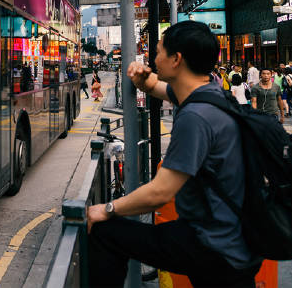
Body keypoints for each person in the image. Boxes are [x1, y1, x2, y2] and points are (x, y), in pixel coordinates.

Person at [87, 21, 261, 286]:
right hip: (233, 239)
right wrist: (143, 80)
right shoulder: (211, 95)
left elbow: (159, 193)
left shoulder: (196, 116)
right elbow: (160, 88)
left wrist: (107, 208)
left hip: (214, 246)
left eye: (158, 52)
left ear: (176, 59)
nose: (153, 59)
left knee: (105, 232)